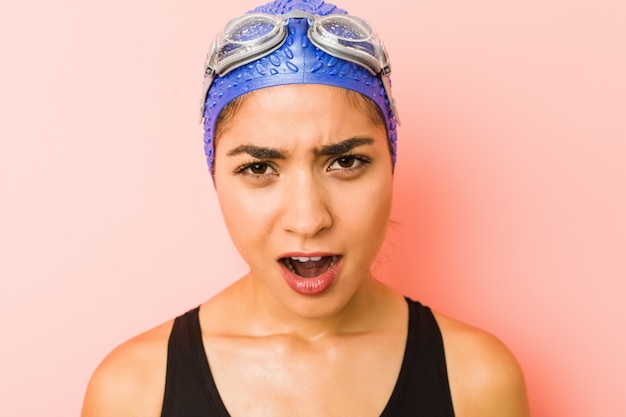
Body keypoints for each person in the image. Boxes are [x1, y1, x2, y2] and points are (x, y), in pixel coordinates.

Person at [81, 0, 530, 416]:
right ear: (215, 175)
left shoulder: (476, 380)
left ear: (392, 162)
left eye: (346, 161)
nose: (308, 219)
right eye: (259, 168)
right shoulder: (134, 391)